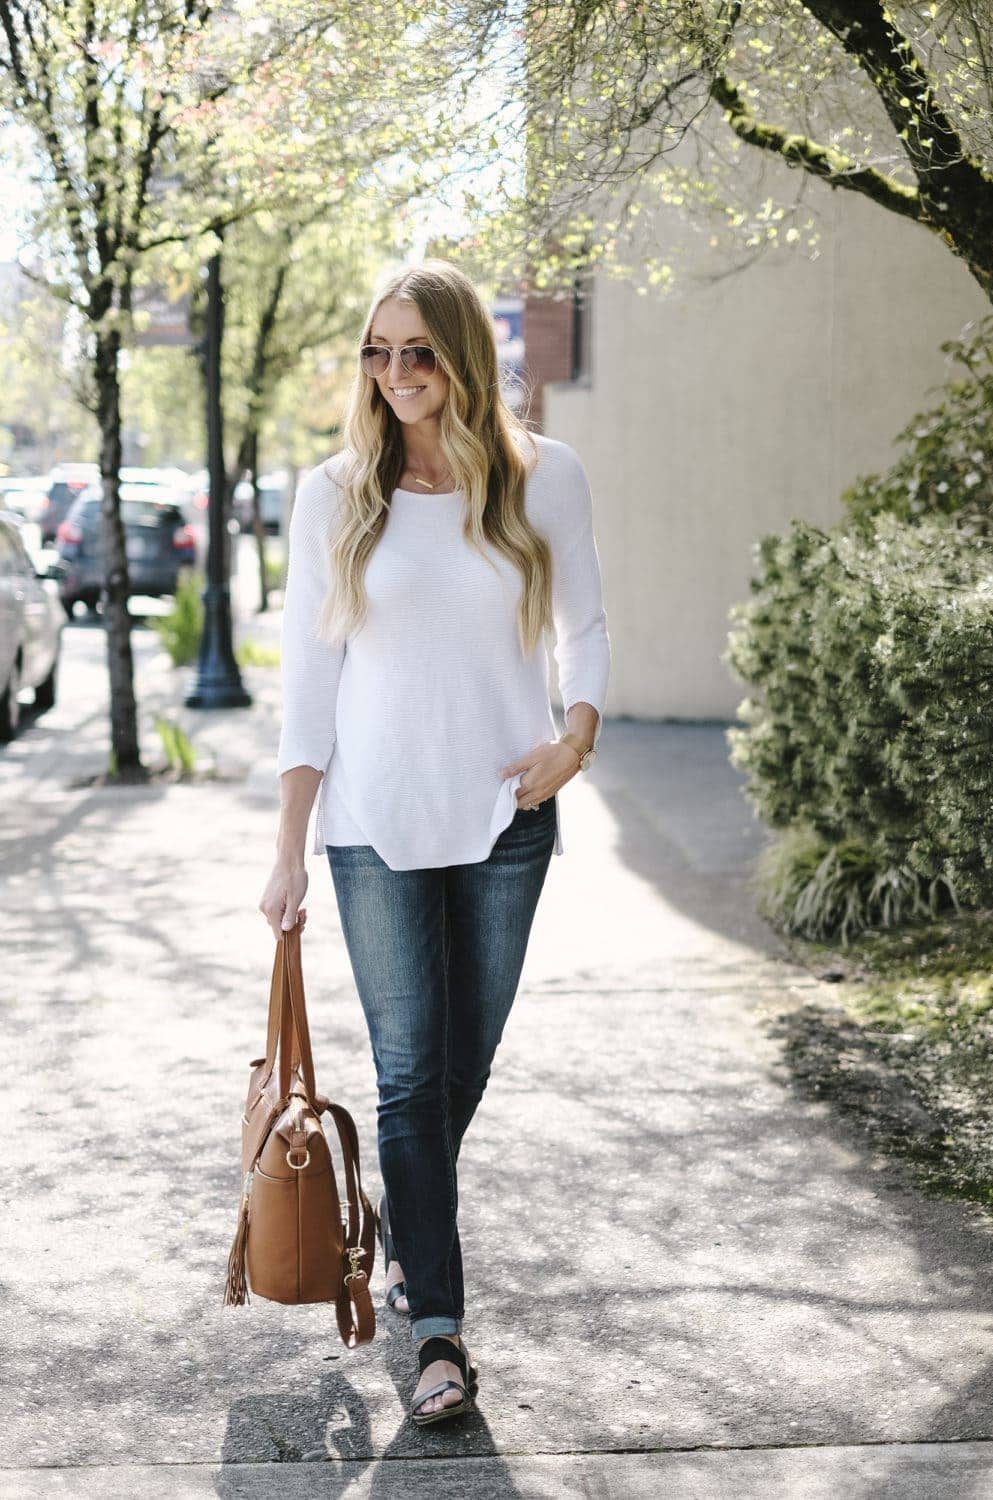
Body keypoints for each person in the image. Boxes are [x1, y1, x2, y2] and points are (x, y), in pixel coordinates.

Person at [259, 258, 611, 1426]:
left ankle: (405, 1239)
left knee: (462, 1065)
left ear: (460, 358)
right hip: (372, 820)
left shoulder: (540, 475)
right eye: (377, 351)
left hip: (508, 816)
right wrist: (289, 847)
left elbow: (584, 623)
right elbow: (309, 680)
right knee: (411, 1076)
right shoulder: (334, 492)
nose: (395, 374)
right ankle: (438, 1339)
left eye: (418, 352)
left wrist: (576, 739)